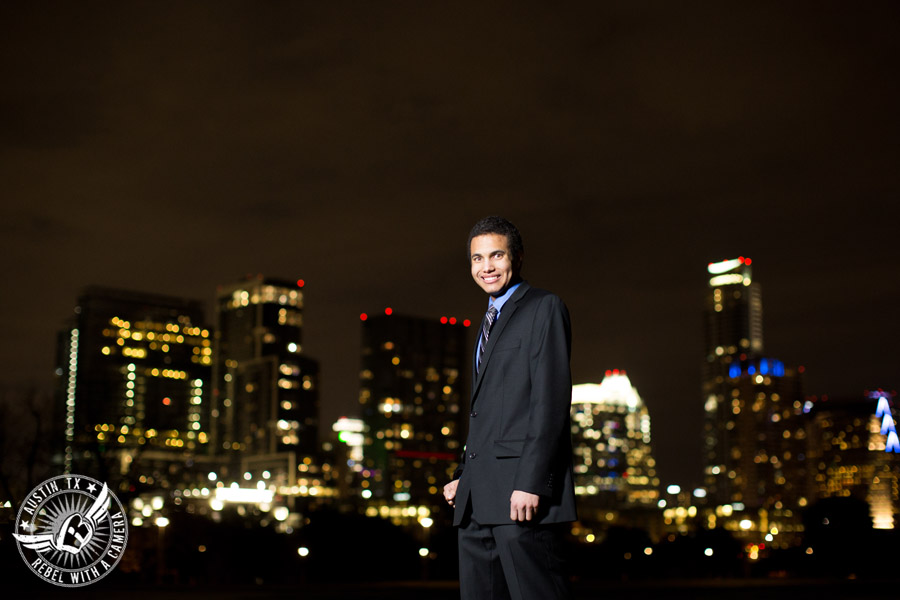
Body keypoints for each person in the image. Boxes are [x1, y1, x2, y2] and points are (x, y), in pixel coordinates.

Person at [444, 216, 576, 600]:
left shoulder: (543, 307)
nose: (486, 267)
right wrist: (464, 475)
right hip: (476, 499)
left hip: (520, 497)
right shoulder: (488, 322)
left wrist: (532, 482)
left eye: (496, 255)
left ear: (516, 257)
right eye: (476, 259)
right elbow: (490, 413)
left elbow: (549, 400)